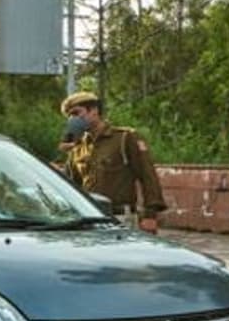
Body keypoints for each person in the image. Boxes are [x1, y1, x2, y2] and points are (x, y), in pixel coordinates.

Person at [60, 91, 166, 233]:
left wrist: (150, 215)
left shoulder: (124, 138)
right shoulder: (78, 147)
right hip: (90, 219)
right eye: (70, 116)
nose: (74, 119)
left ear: (94, 111)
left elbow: (148, 176)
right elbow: (72, 185)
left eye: (77, 113)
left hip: (119, 217)